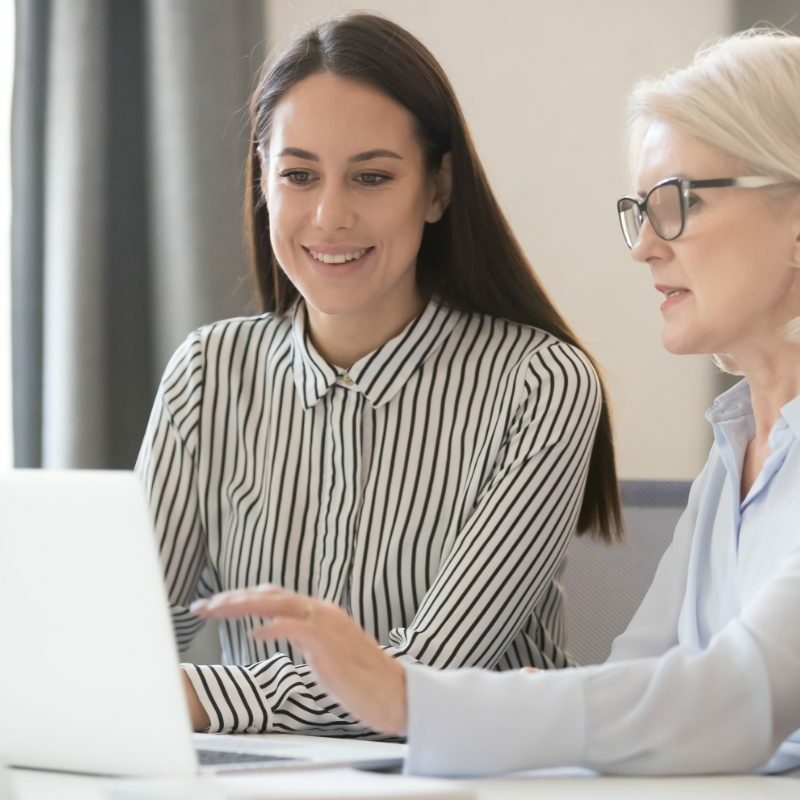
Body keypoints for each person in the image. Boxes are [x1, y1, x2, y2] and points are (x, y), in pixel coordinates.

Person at [193, 29, 800, 774]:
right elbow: (634, 680)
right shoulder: (740, 444)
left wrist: (411, 697)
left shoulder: (538, 383)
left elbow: (734, 704)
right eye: (639, 209)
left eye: (677, 202)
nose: (643, 244)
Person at [136, 12, 620, 737]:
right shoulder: (208, 374)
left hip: (482, 781)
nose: (330, 215)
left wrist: (201, 698)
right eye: (298, 175)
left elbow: (422, 685)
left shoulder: (540, 383)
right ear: (263, 183)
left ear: (436, 189)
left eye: (371, 176)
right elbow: (122, 648)